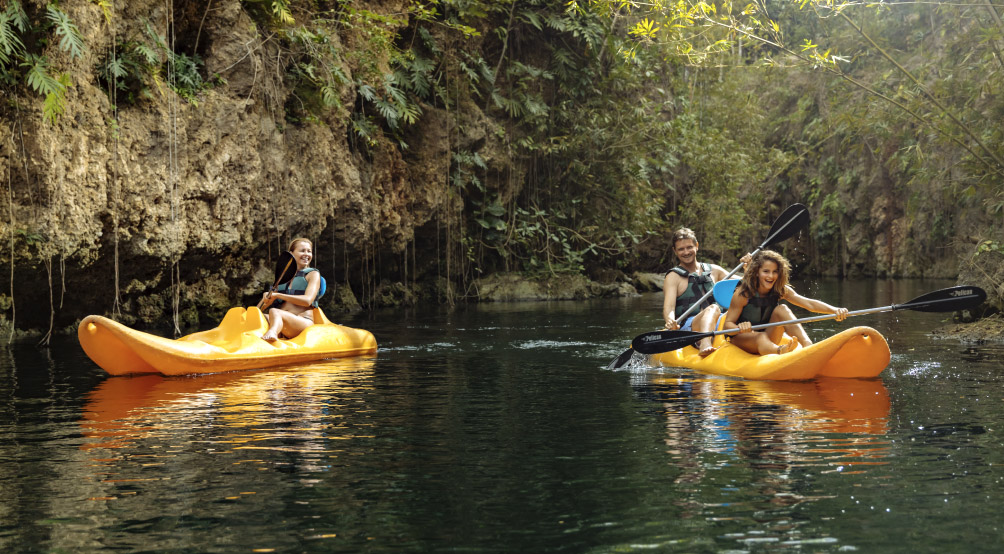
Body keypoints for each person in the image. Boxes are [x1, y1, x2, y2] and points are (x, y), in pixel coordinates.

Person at [723, 249, 848, 355]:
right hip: (742, 339)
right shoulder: (743, 294)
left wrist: (834, 310)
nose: (770, 276)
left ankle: (808, 346)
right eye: (766, 271)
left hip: (767, 336)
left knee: (782, 309)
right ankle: (779, 351)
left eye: (775, 272)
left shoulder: (780, 290)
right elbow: (727, 325)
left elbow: (809, 304)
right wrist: (739, 328)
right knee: (760, 337)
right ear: (756, 272)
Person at [662, 228, 731, 356]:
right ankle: (704, 343)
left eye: (689, 247)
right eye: (681, 249)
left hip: (719, 320)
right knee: (713, 308)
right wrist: (670, 320)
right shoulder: (673, 277)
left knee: (735, 311)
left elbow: (745, 283)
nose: (686, 252)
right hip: (690, 327)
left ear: (697, 246)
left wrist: (748, 267)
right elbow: (669, 307)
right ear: (674, 251)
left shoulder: (714, 270)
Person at [260, 238, 322, 341]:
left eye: (309, 251)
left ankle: (273, 332)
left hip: (303, 322)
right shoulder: (282, 277)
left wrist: (278, 295)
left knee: (275, 311)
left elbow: (307, 301)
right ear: (291, 253)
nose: (306, 254)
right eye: (302, 250)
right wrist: (265, 299)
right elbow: (260, 308)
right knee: (259, 317)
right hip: (282, 322)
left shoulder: (313, 274)